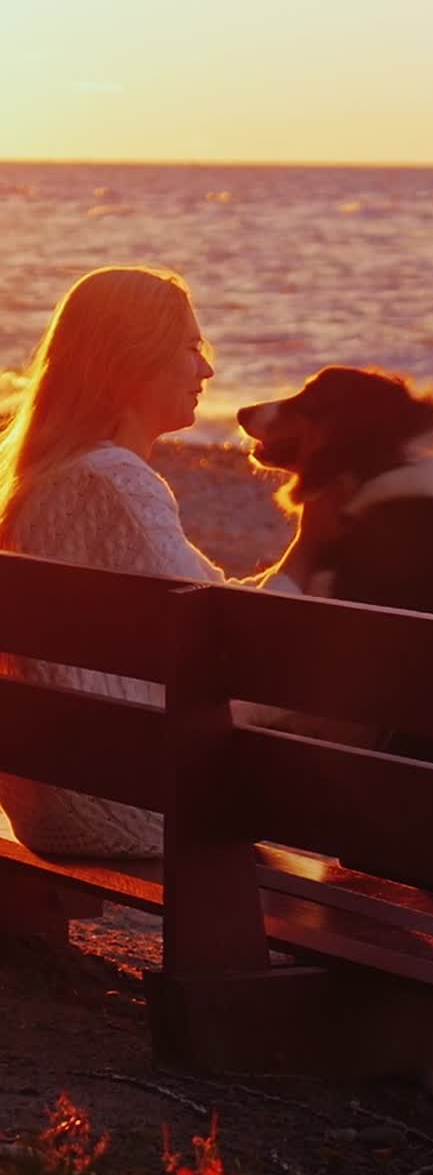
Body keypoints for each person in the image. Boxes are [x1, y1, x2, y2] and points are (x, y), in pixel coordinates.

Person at [0, 265, 334, 858]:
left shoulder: (44, 476)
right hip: (129, 804)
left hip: (55, 794)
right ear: (133, 358)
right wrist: (318, 540)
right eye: (191, 348)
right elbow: (233, 646)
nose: (206, 369)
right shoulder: (115, 482)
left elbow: (207, 604)